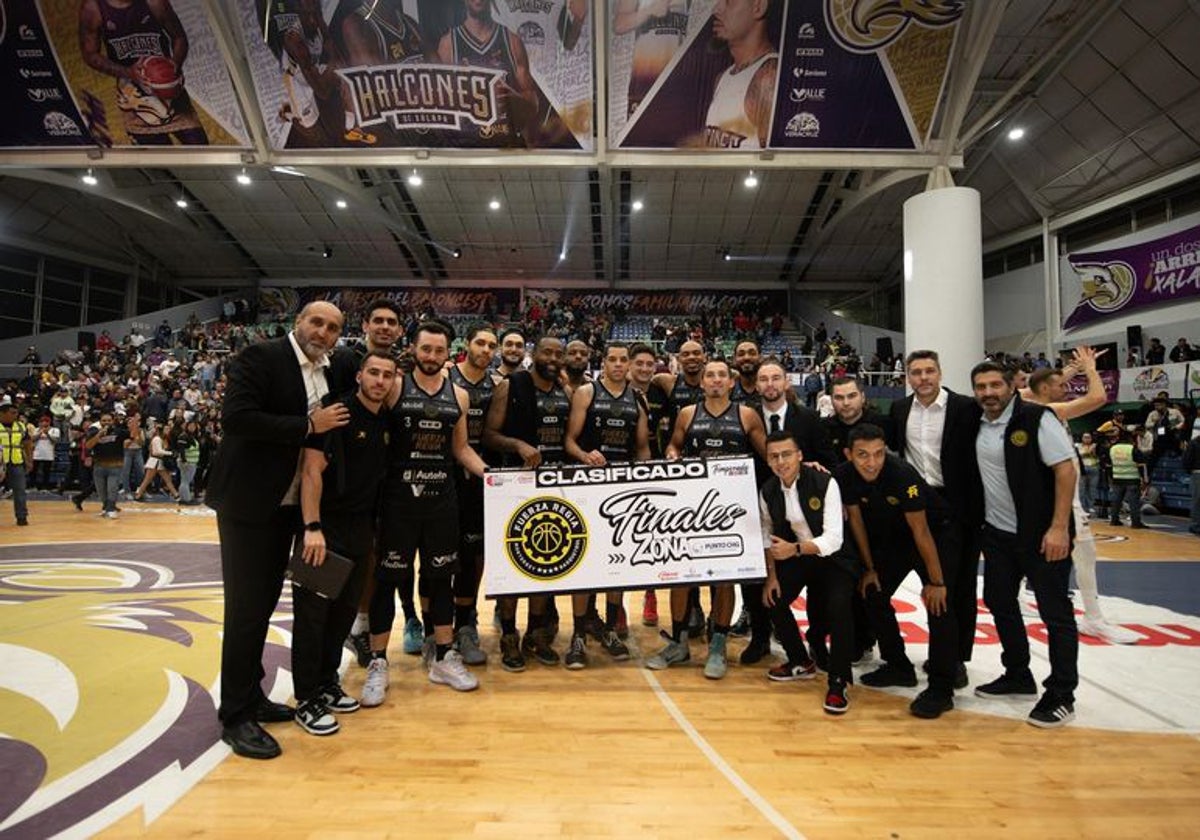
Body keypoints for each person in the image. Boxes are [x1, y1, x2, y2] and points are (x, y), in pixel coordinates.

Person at [205, 301, 351, 760]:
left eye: (332, 328)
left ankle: (252, 696)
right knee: (246, 610)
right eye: (317, 322)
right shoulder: (261, 357)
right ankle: (235, 716)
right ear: (298, 323)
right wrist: (308, 424)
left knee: (265, 607)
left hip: (291, 505)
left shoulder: (326, 372)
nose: (323, 332)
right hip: (250, 504)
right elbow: (237, 419)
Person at [363, 321, 488, 705]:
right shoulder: (395, 387)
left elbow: (461, 449)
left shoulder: (460, 396)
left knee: (441, 579)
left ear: (450, 352)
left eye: (439, 350)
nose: (432, 357)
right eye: (426, 349)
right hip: (398, 501)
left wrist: (495, 478)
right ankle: (378, 662)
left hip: (441, 501)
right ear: (414, 350)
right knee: (387, 580)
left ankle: (444, 657)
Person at [971, 361, 1080, 728]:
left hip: (1042, 535)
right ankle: (1018, 673)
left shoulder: (1037, 419)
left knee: (1055, 613)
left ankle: (1062, 692)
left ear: (1011, 386)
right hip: (1000, 536)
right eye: (981, 387)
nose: (988, 393)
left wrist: (1059, 528)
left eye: (995, 385)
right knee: (1000, 601)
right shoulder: (979, 423)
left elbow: (1066, 470)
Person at [293, 351, 396, 736]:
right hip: (326, 528)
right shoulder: (334, 412)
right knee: (312, 618)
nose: (380, 381)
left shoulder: (386, 419)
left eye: (387, 375)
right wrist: (312, 527)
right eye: (373, 373)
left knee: (342, 617)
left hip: (361, 531)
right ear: (359, 376)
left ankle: (326, 684)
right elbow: (312, 472)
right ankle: (305, 699)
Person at [650, 358, 766, 678]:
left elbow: (768, 455)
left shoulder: (747, 415)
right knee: (682, 576)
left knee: (723, 578)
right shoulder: (688, 414)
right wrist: (673, 456)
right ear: (702, 383)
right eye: (710, 375)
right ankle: (679, 642)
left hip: (730, 509)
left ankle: (718, 646)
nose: (715, 380)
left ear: (731, 382)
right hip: (691, 509)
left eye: (721, 376)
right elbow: (674, 445)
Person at [837, 425, 958, 718]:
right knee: (873, 592)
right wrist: (869, 569)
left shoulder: (902, 475)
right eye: (863, 455)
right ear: (849, 454)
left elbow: (921, 531)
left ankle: (942, 687)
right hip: (894, 539)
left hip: (934, 534)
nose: (871, 462)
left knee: (939, 604)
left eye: (879, 454)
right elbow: (856, 523)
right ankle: (898, 666)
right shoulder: (843, 475)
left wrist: (936, 581)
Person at [1025, 348, 1140, 644]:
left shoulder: (1032, 403)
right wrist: (1089, 368)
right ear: (1046, 390)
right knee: (1080, 554)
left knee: (1065, 553)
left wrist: (1071, 369)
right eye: (1060, 386)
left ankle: (1089, 615)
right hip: (1058, 499)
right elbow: (1098, 399)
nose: (1065, 388)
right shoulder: (1048, 410)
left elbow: (1041, 385)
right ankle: (1093, 618)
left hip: (1055, 496)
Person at [888, 350, 983, 681]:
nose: (923, 378)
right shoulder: (900, 410)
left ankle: (954, 660)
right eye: (916, 372)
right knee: (920, 580)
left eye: (929, 371)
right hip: (914, 502)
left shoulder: (966, 407)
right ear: (907, 377)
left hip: (955, 506)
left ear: (940, 373)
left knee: (954, 587)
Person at [482, 336, 572, 670]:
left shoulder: (565, 392)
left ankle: (536, 632)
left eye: (558, 354)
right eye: (547, 352)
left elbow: (570, 439)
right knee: (512, 563)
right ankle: (508, 633)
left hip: (554, 485)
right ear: (535, 355)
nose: (553, 358)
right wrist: (518, 444)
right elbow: (489, 434)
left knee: (545, 563)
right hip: (514, 483)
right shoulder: (511, 384)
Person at [564, 342, 651, 669]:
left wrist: (644, 483)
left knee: (617, 564)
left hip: (623, 491)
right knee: (584, 563)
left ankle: (612, 628)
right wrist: (586, 456)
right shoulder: (587, 392)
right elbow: (569, 440)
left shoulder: (637, 399)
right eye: (611, 359)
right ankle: (578, 635)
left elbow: (642, 448)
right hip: (588, 487)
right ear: (603, 362)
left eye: (622, 360)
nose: (617, 364)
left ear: (628, 365)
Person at [758, 431, 856, 714]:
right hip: (798, 556)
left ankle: (839, 681)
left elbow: (834, 539)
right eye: (774, 456)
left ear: (800, 455)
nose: (781, 461)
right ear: (767, 460)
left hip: (834, 559)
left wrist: (795, 550)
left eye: (786, 454)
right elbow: (767, 536)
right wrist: (772, 577)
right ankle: (800, 661)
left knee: (839, 609)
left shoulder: (825, 483)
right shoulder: (767, 490)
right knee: (773, 599)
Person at [78, 0, 210, 145]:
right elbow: (89, 54)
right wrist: (128, 72)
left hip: (171, 95)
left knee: (201, 149)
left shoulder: (154, 2)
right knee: (158, 164)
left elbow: (179, 37)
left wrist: (175, 64)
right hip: (134, 102)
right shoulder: (93, 8)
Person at [447, 325, 500, 665]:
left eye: (490, 345)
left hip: (483, 477)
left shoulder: (498, 385)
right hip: (446, 474)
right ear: (467, 345)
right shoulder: (447, 378)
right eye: (480, 342)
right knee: (439, 554)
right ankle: (431, 627)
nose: (485, 349)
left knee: (474, 555)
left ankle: (465, 622)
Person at [436, 0, 538, 147]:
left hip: (507, 147)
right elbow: (440, 108)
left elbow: (532, 103)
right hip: (468, 149)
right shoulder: (448, 44)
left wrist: (516, 99)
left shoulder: (512, 41)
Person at [697, 0, 778, 150]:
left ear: (758, 7)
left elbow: (774, 164)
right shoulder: (723, 77)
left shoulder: (769, 78)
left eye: (728, 1)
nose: (716, 9)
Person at [614, 0, 690, 118]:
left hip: (675, 85)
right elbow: (619, 24)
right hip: (645, 82)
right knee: (641, 134)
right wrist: (649, 11)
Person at [85, 411, 130, 518]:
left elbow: (133, 437)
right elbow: (88, 446)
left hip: (115, 465)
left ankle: (111, 509)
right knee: (101, 491)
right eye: (104, 421)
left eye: (109, 420)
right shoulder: (93, 432)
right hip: (99, 466)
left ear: (113, 421)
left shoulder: (119, 432)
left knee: (112, 488)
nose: (106, 423)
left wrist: (134, 426)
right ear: (100, 422)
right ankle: (106, 508)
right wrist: (98, 436)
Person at [0, 400, 31, 526]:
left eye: (16, 413)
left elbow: (27, 444)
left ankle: (22, 517)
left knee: (20, 491)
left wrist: (29, 460)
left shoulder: (20, 426)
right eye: (12, 413)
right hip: (0, 463)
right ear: (2, 413)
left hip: (16, 462)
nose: (15, 415)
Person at [1107, 429, 1146, 529]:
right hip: (1132, 478)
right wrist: (1144, 479)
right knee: (1134, 502)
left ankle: (1114, 520)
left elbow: (1108, 464)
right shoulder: (1132, 449)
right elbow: (1141, 465)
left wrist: (1111, 477)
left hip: (1117, 478)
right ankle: (1135, 523)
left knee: (1116, 501)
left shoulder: (1112, 448)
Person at [133, 423, 180, 501]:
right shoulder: (157, 439)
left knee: (167, 479)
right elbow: (157, 452)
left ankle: (176, 495)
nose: (168, 431)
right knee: (147, 480)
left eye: (169, 429)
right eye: (166, 429)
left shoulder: (163, 439)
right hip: (154, 462)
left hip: (160, 462)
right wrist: (170, 453)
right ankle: (138, 495)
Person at [29, 416, 60, 491]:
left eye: (46, 421)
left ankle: (45, 487)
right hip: (37, 454)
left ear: (49, 422)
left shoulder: (54, 430)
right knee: (34, 471)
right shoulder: (36, 430)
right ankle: (33, 486)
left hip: (48, 454)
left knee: (46, 471)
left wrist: (47, 434)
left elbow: (55, 441)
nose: (44, 423)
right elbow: (32, 439)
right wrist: (40, 433)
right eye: (42, 421)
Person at [1076, 432, 1099, 513]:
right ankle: (1082, 507)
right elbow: (1079, 455)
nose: (1087, 439)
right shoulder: (1077, 446)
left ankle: (1090, 506)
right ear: (1081, 438)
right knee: (1082, 489)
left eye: (1089, 437)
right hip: (1082, 469)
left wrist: (1093, 451)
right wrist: (1088, 452)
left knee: (1092, 489)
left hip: (1094, 468)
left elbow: (1098, 455)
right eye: (1085, 437)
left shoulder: (1095, 446)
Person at [1183, 431, 1200, 536]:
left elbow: (1186, 460)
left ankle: (1196, 525)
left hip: (1197, 473)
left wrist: (1190, 470)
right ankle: (1196, 525)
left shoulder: (1193, 443)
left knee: (1197, 501)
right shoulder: (1193, 443)